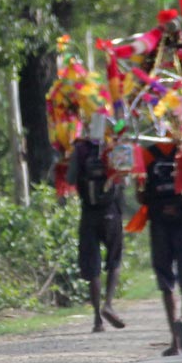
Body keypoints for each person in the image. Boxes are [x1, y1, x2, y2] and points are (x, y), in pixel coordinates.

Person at [132, 142, 182, 357]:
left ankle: (174, 342)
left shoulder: (146, 154)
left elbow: (141, 196)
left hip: (159, 224)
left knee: (166, 284)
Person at [66, 137, 125, 332]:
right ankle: (108, 303)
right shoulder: (115, 144)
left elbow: (70, 179)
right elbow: (124, 177)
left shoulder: (80, 149)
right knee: (114, 260)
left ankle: (97, 319)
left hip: (89, 214)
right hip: (111, 212)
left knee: (93, 266)